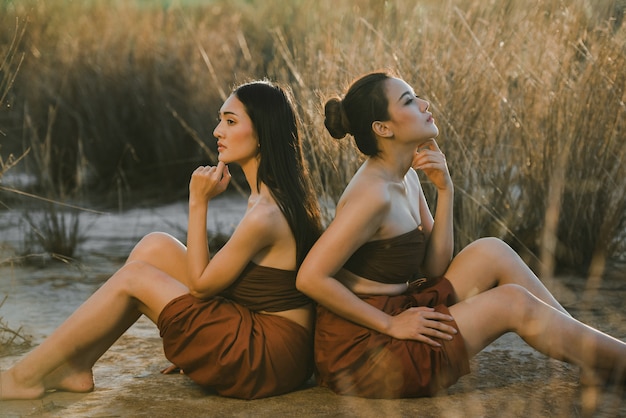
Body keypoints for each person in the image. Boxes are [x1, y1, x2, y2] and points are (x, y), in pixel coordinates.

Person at [295, 71, 626, 399]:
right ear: (383, 128)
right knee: (512, 302)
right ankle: (616, 358)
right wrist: (391, 325)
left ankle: (592, 354)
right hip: (366, 349)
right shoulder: (373, 196)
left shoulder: (404, 175)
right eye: (409, 101)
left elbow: (435, 268)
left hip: (397, 309)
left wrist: (446, 189)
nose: (425, 104)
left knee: (492, 250)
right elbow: (310, 277)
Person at [1, 80, 322, 400]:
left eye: (230, 121)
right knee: (154, 246)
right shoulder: (268, 197)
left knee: (135, 278)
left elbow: (200, 285)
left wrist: (198, 202)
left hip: (267, 358)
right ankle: (77, 365)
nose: (217, 131)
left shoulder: (265, 214)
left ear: (263, 133)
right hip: (269, 339)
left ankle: (24, 377)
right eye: (220, 119)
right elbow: (236, 284)